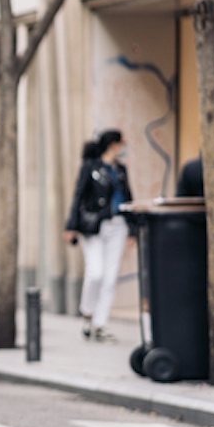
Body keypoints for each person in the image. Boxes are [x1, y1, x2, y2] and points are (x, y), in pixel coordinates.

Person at [63, 130, 135, 342]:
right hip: (94, 226)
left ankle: (100, 324)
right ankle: (87, 311)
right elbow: (78, 195)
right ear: (113, 144)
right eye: (121, 143)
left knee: (110, 278)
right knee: (96, 273)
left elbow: (128, 197)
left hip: (118, 226)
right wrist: (71, 226)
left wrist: (132, 229)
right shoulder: (90, 166)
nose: (123, 147)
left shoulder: (121, 170)